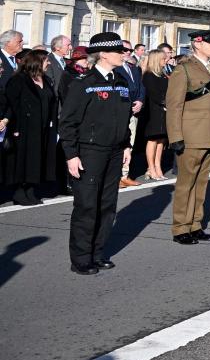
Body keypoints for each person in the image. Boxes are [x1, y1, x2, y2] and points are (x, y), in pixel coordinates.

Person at [58, 33, 133, 274]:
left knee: (107, 205)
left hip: (114, 151)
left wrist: (127, 145)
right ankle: (81, 258)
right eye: (118, 51)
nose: (124, 55)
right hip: (89, 151)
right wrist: (71, 154)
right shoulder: (83, 83)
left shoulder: (120, 81)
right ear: (103, 53)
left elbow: (124, 117)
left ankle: (98, 253)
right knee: (87, 205)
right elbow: (68, 122)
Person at [165, 29, 210, 245]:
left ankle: (195, 224)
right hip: (190, 133)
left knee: (201, 182)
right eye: (209, 42)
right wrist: (175, 136)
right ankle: (181, 227)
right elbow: (174, 105)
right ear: (197, 44)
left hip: (209, 131)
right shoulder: (184, 69)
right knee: (186, 183)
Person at [2, 50, 59, 205]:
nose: (49, 63)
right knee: (24, 160)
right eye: (46, 61)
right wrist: (14, 126)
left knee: (39, 158)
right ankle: (20, 191)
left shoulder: (46, 80)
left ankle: (31, 189)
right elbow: (12, 104)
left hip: (44, 127)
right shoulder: (19, 80)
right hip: (24, 127)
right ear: (37, 62)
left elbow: (52, 101)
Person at [117, 43, 145, 187]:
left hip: (134, 110)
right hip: (121, 111)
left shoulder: (133, 68)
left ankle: (124, 174)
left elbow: (141, 86)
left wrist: (140, 101)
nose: (128, 52)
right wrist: (129, 104)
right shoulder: (115, 68)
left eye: (130, 50)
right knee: (120, 143)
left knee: (130, 143)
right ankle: (118, 176)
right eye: (124, 50)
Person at [139, 50, 170, 181]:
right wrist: (166, 102)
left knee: (162, 140)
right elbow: (154, 94)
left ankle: (158, 166)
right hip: (154, 112)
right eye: (163, 59)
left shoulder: (163, 75)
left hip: (164, 111)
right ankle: (151, 168)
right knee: (153, 139)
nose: (166, 60)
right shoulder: (149, 75)